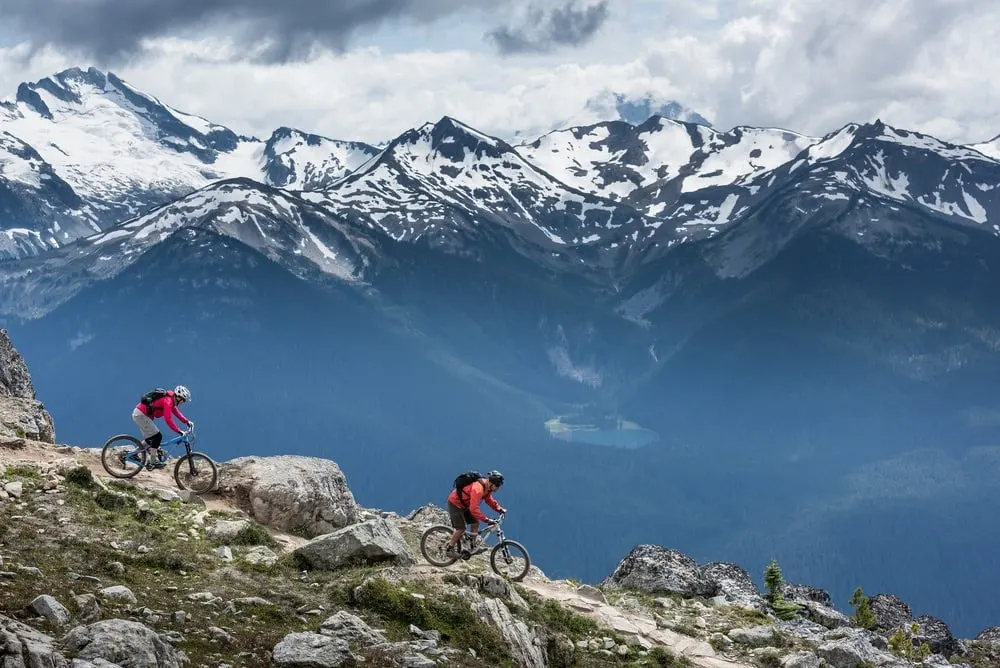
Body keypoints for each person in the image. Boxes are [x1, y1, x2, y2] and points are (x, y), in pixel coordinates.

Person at [445, 470, 507, 556]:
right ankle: (449, 549)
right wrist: (486, 520)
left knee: (475, 522)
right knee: (461, 528)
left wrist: (499, 509)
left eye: (499, 486)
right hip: (455, 503)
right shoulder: (478, 489)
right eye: (497, 485)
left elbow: (489, 500)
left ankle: (472, 546)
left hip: (465, 505)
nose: (498, 488)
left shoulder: (487, 488)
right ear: (491, 483)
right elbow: (473, 509)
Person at [131, 386, 193, 469]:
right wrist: (179, 431)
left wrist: (187, 422)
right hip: (141, 415)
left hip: (141, 415)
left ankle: (134, 454)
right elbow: (168, 419)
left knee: (151, 439)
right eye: (183, 400)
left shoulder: (171, 401)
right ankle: (153, 462)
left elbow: (177, 413)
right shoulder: (168, 401)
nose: (183, 403)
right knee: (157, 436)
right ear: (178, 397)